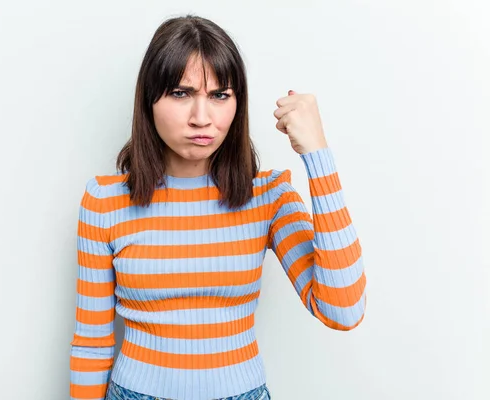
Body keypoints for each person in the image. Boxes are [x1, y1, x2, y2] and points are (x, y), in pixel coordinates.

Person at [69, 14, 367, 400]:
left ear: (236, 104)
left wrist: (318, 156)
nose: (201, 118)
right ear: (149, 101)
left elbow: (342, 308)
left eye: (219, 95)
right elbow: (92, 345)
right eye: (180, 93)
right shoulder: (104, 202)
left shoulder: (268, 197)